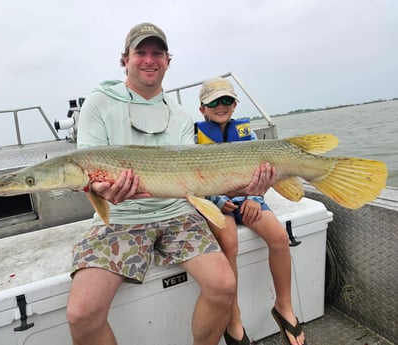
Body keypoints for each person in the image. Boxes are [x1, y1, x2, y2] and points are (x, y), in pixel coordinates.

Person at [66, 23, 276, 345]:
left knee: (223, 285)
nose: (149, 60)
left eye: (157, 53)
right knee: (81, 314)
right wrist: (99, 189)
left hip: (177, 212)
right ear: (125, 59)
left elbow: (192, 180)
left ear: (168, 60)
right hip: (121, 218)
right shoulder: (98, 103)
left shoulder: (178, 115)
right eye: (141, 52)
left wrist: (244, 186)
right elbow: (87, 170)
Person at [196, 77, 307, 345]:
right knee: (229, 244)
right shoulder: (192, 137)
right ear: (202, 109)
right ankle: (233, 320)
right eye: (213, 101)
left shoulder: (248, 135)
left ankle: (284, 308)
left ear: (235, 105)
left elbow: (264, 172)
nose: (220, 105)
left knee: (279, 238)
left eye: (227, 100)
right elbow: (192, 179)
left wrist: (255, 198)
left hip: (249, 198)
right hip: (216, 204)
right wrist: (220, 200)